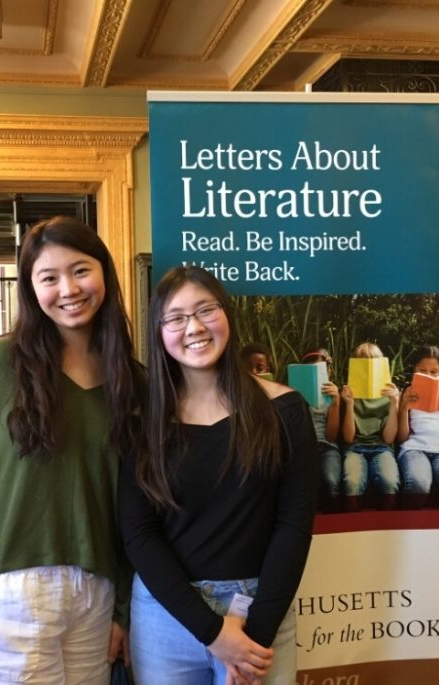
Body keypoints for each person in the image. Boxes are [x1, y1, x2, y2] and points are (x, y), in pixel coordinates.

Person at [0, 216, 143, 684]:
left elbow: (132, 503)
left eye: (80, 270)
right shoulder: (0, 363)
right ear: (32, 290)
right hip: (13, 584)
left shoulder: (130, 379)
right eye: (49, 278)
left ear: (105, 275)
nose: (68, 289)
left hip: (97, 588)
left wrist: (123, 611)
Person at [119, 266, 319, 685]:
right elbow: (139, 533)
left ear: (227, 314)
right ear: (159, 332)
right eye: (175, 318)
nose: (193, 327)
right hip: (166, 618)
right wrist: (211, 632)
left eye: (205, 310)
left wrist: (252, 642)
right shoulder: (144, 423)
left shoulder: (285, 410)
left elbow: (294, 526)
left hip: (261, 611)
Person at [397, 345, 439, 508]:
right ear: (414, 371)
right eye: (422, 371)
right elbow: (402, 437)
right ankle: (412, 526)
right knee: (418, 485)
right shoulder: (407, 393)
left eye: (434, 372)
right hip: (415, 448)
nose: (428, 375)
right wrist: (404, 408)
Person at [340, 342, 400, 511]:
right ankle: (352, 526)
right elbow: (348, 438)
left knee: (390, 483)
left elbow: (389, 438)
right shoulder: (349, 393)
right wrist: (350, 404)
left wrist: (394, 403)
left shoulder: (390, 393)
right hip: (355, 447)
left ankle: (388, 526)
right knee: (352, 483)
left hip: (382, 447)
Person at [300, 348, 343, 512]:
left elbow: (331, 436)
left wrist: (336, 403)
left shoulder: (332, 397)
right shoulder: (296, 393)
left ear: (329, 372)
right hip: (303, 448)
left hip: (327, 447)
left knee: (331, 481)